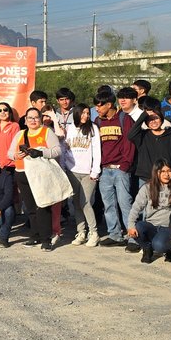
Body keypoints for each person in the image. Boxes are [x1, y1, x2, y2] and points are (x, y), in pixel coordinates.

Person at [11, 107, 63, 250]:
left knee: (43, 205)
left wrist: (41, 152)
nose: (33, 120)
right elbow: (10, 153)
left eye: (36, 117)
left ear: (40, 119)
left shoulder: (47, 131)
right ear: (26, 120)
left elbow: (57, 150)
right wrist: (16, 155)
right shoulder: (20, 134)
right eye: (30, 118)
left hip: (41, 173)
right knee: (31, 207)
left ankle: (46, 239)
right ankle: (35, 235)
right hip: (22, 172)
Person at [94, 92, 136, 246]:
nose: (96, 108)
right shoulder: (98, 121)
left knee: (125, 203)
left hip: (121, 169)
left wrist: (125, 165)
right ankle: (115, 234)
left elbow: (129, 143)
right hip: (105, 170)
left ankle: (132, 236)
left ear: (109, 105)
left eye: (99, 105)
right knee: (108, 204)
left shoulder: (124, 119)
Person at [61, 104, 102, 247]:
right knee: (76, 203)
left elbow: (97, 151)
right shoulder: (69, 128)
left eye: (87, 113)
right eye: (83, 113)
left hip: (88, 173)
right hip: (72, 171)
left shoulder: (93, 128)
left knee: (86, 203)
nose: (86, 116)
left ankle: (94, 232)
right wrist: (64, 166)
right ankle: (81, 232)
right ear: (77, 114)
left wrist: (95, 170)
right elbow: (64, 149)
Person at [128, 160, 171, 263]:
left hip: (168, 227)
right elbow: (136, 208)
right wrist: (130, 226)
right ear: (156, 172)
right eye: (162, 171)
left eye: (169, 171)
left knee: (159, 246)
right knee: (138, 227)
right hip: (151, 225)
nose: (166, 174)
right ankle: (147, 248)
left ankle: (170, 250)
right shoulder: (147, 188)